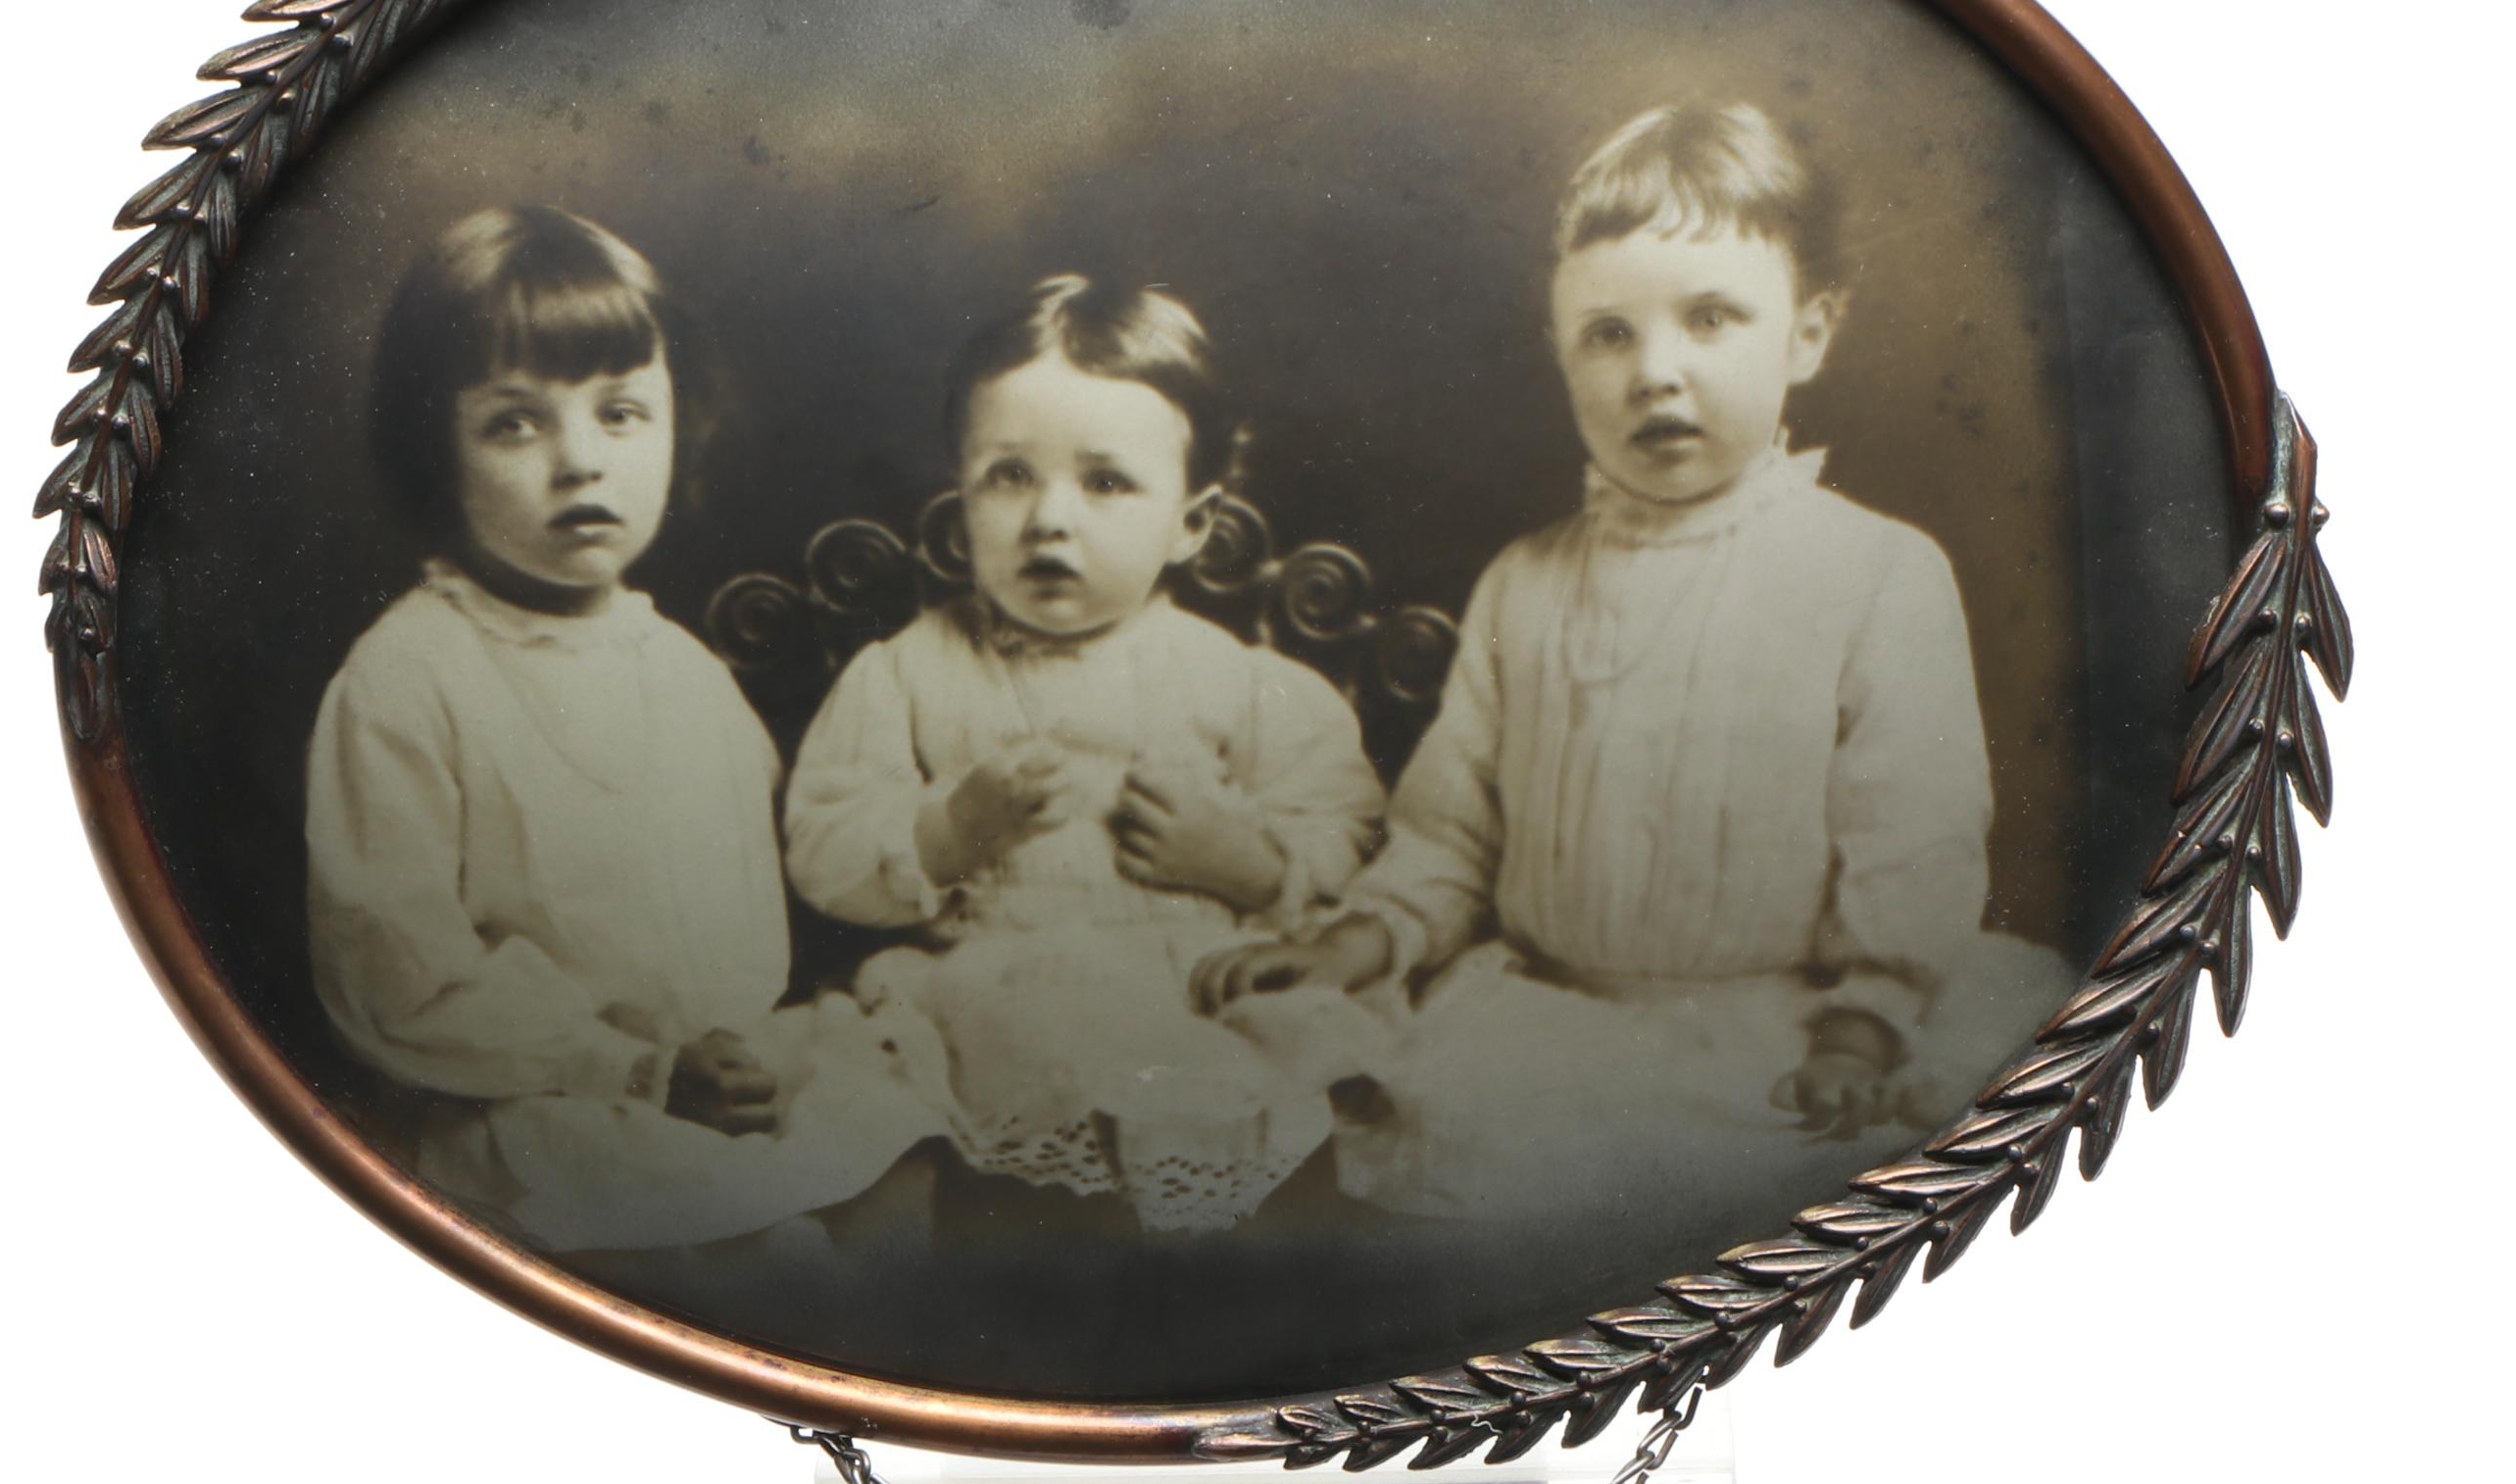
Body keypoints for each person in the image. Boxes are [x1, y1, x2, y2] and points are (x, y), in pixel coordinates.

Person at [1194, 104, 2068, 1222]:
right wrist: (1362, 938)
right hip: (1552, 1020)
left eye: (1710, 318)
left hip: (1784, 1022)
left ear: (1807, 332)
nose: (1656, 371)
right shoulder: (1526, 580)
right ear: (1560, 351)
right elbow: (1448, 834)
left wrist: (1863, 1024)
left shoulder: (1876, 573)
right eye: (1609, 333)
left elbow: (1912, 835)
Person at [306, 205, 951, 1261]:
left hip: (715, 1075)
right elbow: (399, 981)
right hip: (539, 1101)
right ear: (436, 445)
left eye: (620, 414)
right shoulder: (407, 680)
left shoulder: (681, 667)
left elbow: (757, 908)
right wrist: (632, 1068)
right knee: (783, 1262)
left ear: (672, 423)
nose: (579, 463)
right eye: (515, 423)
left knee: (904, 1176)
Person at [784, 274, 1386, 1232]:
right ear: (963, 497)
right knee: (949, 1122)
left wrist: (1251, 864)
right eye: (1009, 476)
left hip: (1193, 991)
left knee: (1294, 1098)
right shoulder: (905, 674)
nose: (1049, 519)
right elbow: (823, 844)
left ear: (1190, 522)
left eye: (1104, 482)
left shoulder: (1240, 682)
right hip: (993, 992)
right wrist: (950, 832)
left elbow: (1348, 830)